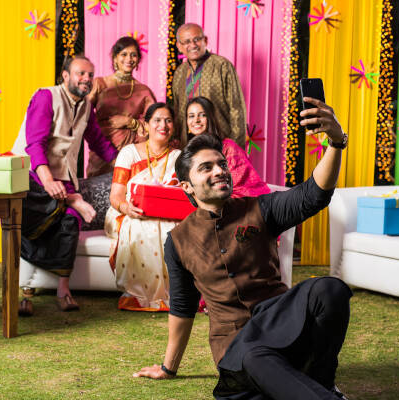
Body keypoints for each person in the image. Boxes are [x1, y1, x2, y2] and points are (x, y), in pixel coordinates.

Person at [134, 97, 352, 400]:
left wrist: (336, 142)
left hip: (281, 320)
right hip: (237, 344)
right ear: (187, 186)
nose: (220, 171)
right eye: (206, 168)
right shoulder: (179, 241)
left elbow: (313, 195)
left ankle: (321, 381)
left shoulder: (261, 208)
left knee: (329, 289)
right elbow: (183, 308)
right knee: (253, 355)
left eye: (222, 164)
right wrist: (168, 367)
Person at [14, 55, 118, 313]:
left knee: (70, 221)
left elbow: (98, 142)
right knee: (37, 216)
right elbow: (34, 143)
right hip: (32, 176)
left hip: (64, 179)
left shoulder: (86, 107)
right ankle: (25, 290)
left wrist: (125, 163)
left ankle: (63, 289)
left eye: (90, 75)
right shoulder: (45, 97)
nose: (87, 79)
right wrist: (47, 180)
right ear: (65, 76)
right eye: (81, 73)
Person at [105, 103, 182, 312]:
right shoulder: (130, 153)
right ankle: (140, 295)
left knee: (171, 228)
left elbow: (181, 195)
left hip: (167, 212)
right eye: (157, 120)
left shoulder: (178, 157)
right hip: (130, 209)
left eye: (168, 120)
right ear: (146, 125)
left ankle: (172, 294)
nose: (163, 125)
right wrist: (126, 208)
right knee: (140, 227)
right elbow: (116, 196)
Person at [86, 36, 156, 177]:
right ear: (115, 58)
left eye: (133, 55)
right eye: (124, 54)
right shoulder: (100, 84)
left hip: (132, 152)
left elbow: (155, 123)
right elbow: (83, 114)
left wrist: (131, 123)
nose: (129, 59)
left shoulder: (143, 91)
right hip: (103, 150)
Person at [173, 23, 247, 149]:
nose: (193, 45)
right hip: (188, 146)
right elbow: (177, 111)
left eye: (197, 39)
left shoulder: (222, 66)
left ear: (205, 41)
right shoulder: (180, 72)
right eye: (186, 42)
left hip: (220, 143)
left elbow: (237, 109)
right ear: (179, 46)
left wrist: (236, 148)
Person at [185, 96, 269, 198]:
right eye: (191, 116)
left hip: (235, 202)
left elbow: (242, 186)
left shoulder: (227, 147)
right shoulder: (189, 150)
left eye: (202, 115)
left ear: (210, 118)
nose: (196, 120)